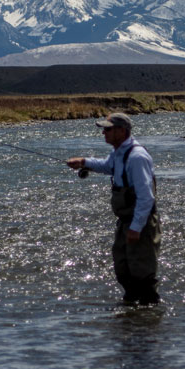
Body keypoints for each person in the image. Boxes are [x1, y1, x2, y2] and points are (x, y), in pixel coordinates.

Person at [67, 113, 161, 305]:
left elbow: (146, 197)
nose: (104, 133)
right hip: (125, 222)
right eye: (104, 129)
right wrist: (83, 162)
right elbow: (108, 166)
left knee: (142, 272)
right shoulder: (119, 153)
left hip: (139, 223)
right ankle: (131, 315)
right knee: (123, 269)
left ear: (122, 131)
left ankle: (149, 316)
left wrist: (136, 227)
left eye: (108, 129)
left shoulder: (137, 157)